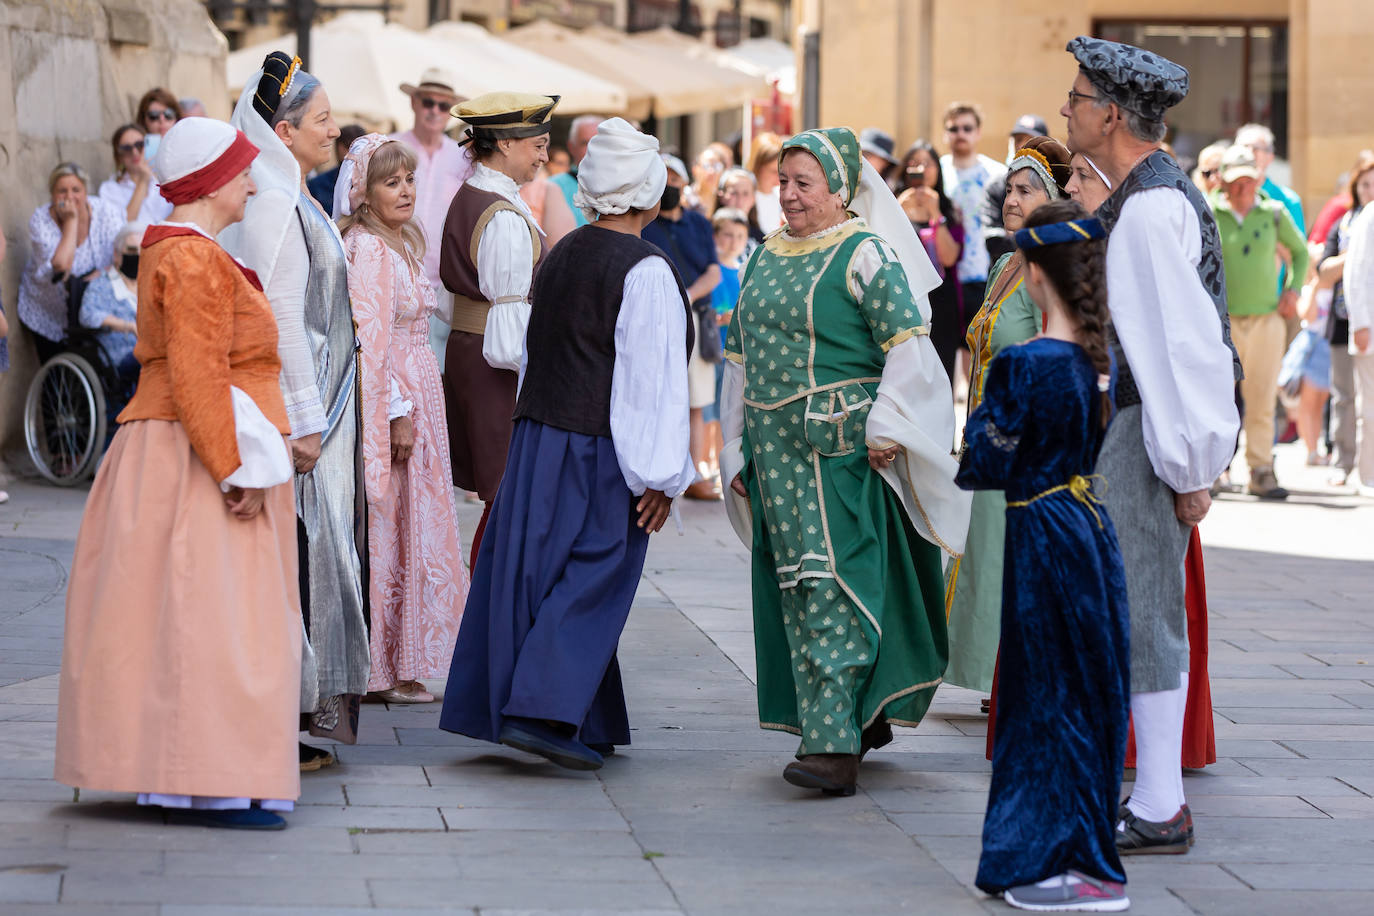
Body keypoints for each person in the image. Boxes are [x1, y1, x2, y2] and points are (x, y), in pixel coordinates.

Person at [55, 116, 301, 830]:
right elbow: (198, 371)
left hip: (187, 441)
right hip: (191, 450)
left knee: (187, 615)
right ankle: (203, 781)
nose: (253, 182)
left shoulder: (190, 251)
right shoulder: (193, 259)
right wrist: (229, 467)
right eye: (244, 171)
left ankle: (196, 775)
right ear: (216, 181)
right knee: (208, 617)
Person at [438, 117, 695, 769]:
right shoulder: (647, 269)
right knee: (596, 571)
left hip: (541, 439)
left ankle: (584, 713)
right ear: (647, 191)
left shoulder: (561, 253)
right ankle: (544, 711)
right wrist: (661, 477)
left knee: (538, 571)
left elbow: (532, 351)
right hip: (598, 448)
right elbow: (650, 380)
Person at [720, 127, 970, 797]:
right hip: (776, 452)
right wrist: (733, 445)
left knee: (835, 578)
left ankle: (832, 746)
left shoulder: (865, 254)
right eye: (784, 182)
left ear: (840, 190)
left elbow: (910, 347)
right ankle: (851, 715)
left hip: (841, 449)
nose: (791, 195)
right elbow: (739, 364)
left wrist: (888, 420)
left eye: (805, 183)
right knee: (796, 586)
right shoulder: (766, 255)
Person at [1061, 35, 1241, 855]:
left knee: (1145, 612)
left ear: (1108, 114)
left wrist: (1192, 466)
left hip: (1146, 430)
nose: (1066, 108)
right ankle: (1154, 792)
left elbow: (1188, 350)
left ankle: (1162, 801)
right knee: (1139, 609)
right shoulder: (1148, 197)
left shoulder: (1150, 205)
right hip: (1141, 428)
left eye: (1075, 97)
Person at [959, 200, 1130, 913]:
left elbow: (982, 463)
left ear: (1033, 276)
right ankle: (1078, 853)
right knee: (1086, 691)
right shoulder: (1099, 362)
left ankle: (1063, 861)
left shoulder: (1025, 366)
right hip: (1087, 525)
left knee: (1043, 697)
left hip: (1039, 533)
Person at [223, 51, 370, 769]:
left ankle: (298, 716)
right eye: (321, 119)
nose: (334, 128)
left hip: (319, 417)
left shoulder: (294, 195)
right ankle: (282, 720)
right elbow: (279, 318)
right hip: (299, 419)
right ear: (282, 131)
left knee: (312, 559)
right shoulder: (277, 204)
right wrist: (304, 421)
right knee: (300, 564)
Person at [338, 134, 470, 705]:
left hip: (422, 386)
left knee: (418, 523)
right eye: (391, 182)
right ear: (364, 193)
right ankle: (389, 668)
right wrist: (395, 412)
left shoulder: (401, 243)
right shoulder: (367, 247)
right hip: (397, 395)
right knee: (395, 528)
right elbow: (370, 340)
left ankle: (404, 660)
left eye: (409, 179)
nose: (406, 190)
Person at [945, 135, 1071, 700]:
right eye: (1010, 189)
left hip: (1025, 445)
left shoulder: (1053, 268)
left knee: (1009, 561)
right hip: (988, 441)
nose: (1013, 199)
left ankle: (1017, 677)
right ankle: (999, 676)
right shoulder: (1002, 264)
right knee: (984, 560)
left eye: (1027, 189)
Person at [439, 91, 558, 563]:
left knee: (502, 495)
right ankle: (491, 600)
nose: (545, 155)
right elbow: (509, 330)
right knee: (507, 493)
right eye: (539, 145)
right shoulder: (502, 214)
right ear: (507, 143)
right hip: (496, 363)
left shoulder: (482, 197)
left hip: (475, 351)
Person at [1213, 143, 1309, 499]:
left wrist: (1293, 290)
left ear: (1257, 181)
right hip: (1223, 322)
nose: (1242, 188)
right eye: (1235, 181)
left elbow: (1300, 254)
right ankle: (1215, 470)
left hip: (1266, 318)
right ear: (1223, 181)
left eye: (1248, 180)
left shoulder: (1274, 213)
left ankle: (1261, 469)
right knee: (1219, 399)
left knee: (1262, 398)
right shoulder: (1210, 211)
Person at [642, 154, 722, 500]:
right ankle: (651, 472)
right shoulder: (644, 223)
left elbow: (714, 270)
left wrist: (686, 296)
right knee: (653, 395)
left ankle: (694, 474)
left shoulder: (699, 223)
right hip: (653, 316)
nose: (671, 185)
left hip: (694, 315)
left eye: (676, 180)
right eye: (665, 179)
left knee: (696, 401)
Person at [392, 69, 475, 368]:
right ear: (414, 102)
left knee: (436, 370)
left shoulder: (463, 156)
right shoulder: (390, 146)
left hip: (443, 284)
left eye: (443, 106)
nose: (434, 111)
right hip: (394, 276)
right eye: (428, 102)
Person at [18, 162, 123, 364]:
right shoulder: (40, 221)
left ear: (86, 191)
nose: (69, 196)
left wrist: (102, 273)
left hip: (89, 306)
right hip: (47, 310)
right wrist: (71, 221)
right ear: (52, 195)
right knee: (55, 370)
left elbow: (122, 252)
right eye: (62, 191)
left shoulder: (106, 212)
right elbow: (61, 267)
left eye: (76, 190)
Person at [941, 101, 1009, 371]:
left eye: (967, 128)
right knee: (944, 359)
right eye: (953, 128)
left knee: (980, 358)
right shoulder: (939, 171)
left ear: (978, 132)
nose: (961, 134)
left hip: (984, 275)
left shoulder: (997, 174)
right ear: (945, 133)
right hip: (946, 279)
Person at [1320, 157, 1374, 485]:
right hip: (1347, 319)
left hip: (1362, 318)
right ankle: (1346, 463)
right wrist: (1361, 323)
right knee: (1347, 396)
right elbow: (1333, 271)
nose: (1371, 190)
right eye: (1366, 183)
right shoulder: (1348, 221)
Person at [898, 140, 965, 381]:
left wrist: (936, 214)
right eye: (914, 163)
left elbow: (949, 257)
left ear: (938, 169)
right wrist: (898, 211)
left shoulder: (949, 209)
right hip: (904, 298)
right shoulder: (894, 204)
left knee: (942, 373)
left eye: (928, 163)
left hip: (941, 301)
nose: (922, 170)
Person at [77, 222, 144, 422]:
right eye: (132, 250)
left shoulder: (149, 285)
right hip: (119, 355)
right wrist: (128, 326)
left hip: (148, 351)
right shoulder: (102, 285)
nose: (138, 256)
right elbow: (88, 315)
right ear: (117, 255)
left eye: (142, 251)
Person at [983, 114, 1050, 261]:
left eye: (1031, 141)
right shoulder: (996, 186)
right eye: (1018, 140)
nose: (1023, 146)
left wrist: (1014, 232)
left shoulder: (1057, 187)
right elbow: (994, 242)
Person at [1342, 198, 1374, 492]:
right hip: (1371, 329)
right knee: (1370, 408)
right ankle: (1368, 475)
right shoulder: (1370, 215)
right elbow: (1355, 270)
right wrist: (1361, 323)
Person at [1236, 123, 1305, 237]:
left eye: (1255, 148)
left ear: (1270, 157)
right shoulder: (1220, 198)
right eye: (1243, 147)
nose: (1248, 153)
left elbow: (1298, 250)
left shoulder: (1288, 200)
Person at [98, 124, 173, 225]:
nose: (135, 152)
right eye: (126, 148)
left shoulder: (166, 180)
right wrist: (143, 181)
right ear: (119, 156)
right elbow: (122, 225)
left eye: (139, 145)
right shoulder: (109, 189)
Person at [548, 113, 601, 229]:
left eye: (598, 141)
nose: (593, 148)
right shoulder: (552, 186)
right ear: (571, 147)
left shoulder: (624, 185)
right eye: (585, 143)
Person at [308, 123, 366, 212]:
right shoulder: (317, 184)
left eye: (358, 148)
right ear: (339, 148)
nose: (353, 153)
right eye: (348, 146)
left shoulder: (372, 182)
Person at [718, 167, 765, 245]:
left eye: (745, 194)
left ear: (753, 199)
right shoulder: (707, 233)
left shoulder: (761, 242)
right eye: (734, 193)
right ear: (721, 196)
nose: (740, 200)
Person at [748, 133, 784, 233]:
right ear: (758, 167)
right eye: (773, 172)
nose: (779, 178)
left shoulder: (781, 196)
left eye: (781, 172)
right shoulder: (744, 197)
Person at [135, 88, 181, 160]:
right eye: (154, 115)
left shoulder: (187, 147)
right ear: (143, 120)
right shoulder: (134, 151)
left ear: (176, 117)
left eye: (168, 114)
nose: (162, 120)